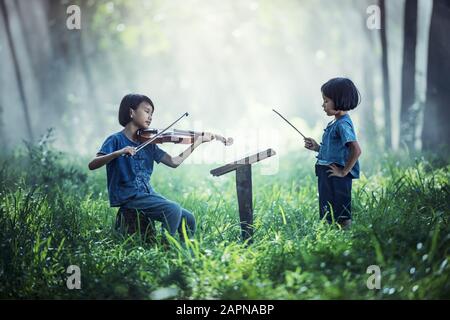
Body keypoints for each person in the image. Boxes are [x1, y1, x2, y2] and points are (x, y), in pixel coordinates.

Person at [88, 93, 214, 239]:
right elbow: (93, 164)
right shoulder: (115, 140)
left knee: (189, 218)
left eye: (152, 114)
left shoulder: (149, 143)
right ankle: (166, 249)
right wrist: (119, 152)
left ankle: (187, 251)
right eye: (147, 111)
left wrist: (197, 142)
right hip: (129, 196)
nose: (150, 117)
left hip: (147, 194)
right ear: (131, 112)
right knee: (172, 209)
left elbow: (174, 162)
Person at [304, 78, 362, 229]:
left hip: (337, 175)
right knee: (327, 209)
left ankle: (346, 236)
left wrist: (343, 172)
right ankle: (332, 236)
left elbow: (356, 150)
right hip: (327, 172)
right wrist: (317, 147)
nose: (323, 105)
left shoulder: (343, 124)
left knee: (341, 210)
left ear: (339, 100)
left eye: (326, 100)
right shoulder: (334, 123)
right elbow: (334, 149)